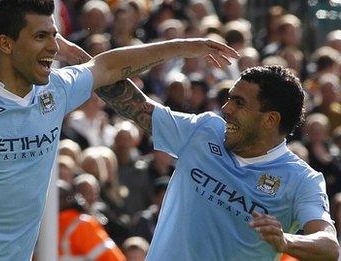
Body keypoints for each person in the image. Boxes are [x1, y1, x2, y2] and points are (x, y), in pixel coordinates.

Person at [0, 0, 238, 259]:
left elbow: (107, 67)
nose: (53, 46)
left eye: (53, 35)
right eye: (40, 37)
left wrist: (183, 46)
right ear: (5, 43)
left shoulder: (55, 89)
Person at [93, 65, 339, 260]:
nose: (226, 109)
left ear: (270, 120)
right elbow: (133, 103)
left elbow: (329, 246)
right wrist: (80, 65)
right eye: (230, 99)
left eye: (239, 103)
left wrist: (286, 241)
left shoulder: (301, 179)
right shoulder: (204, 130)